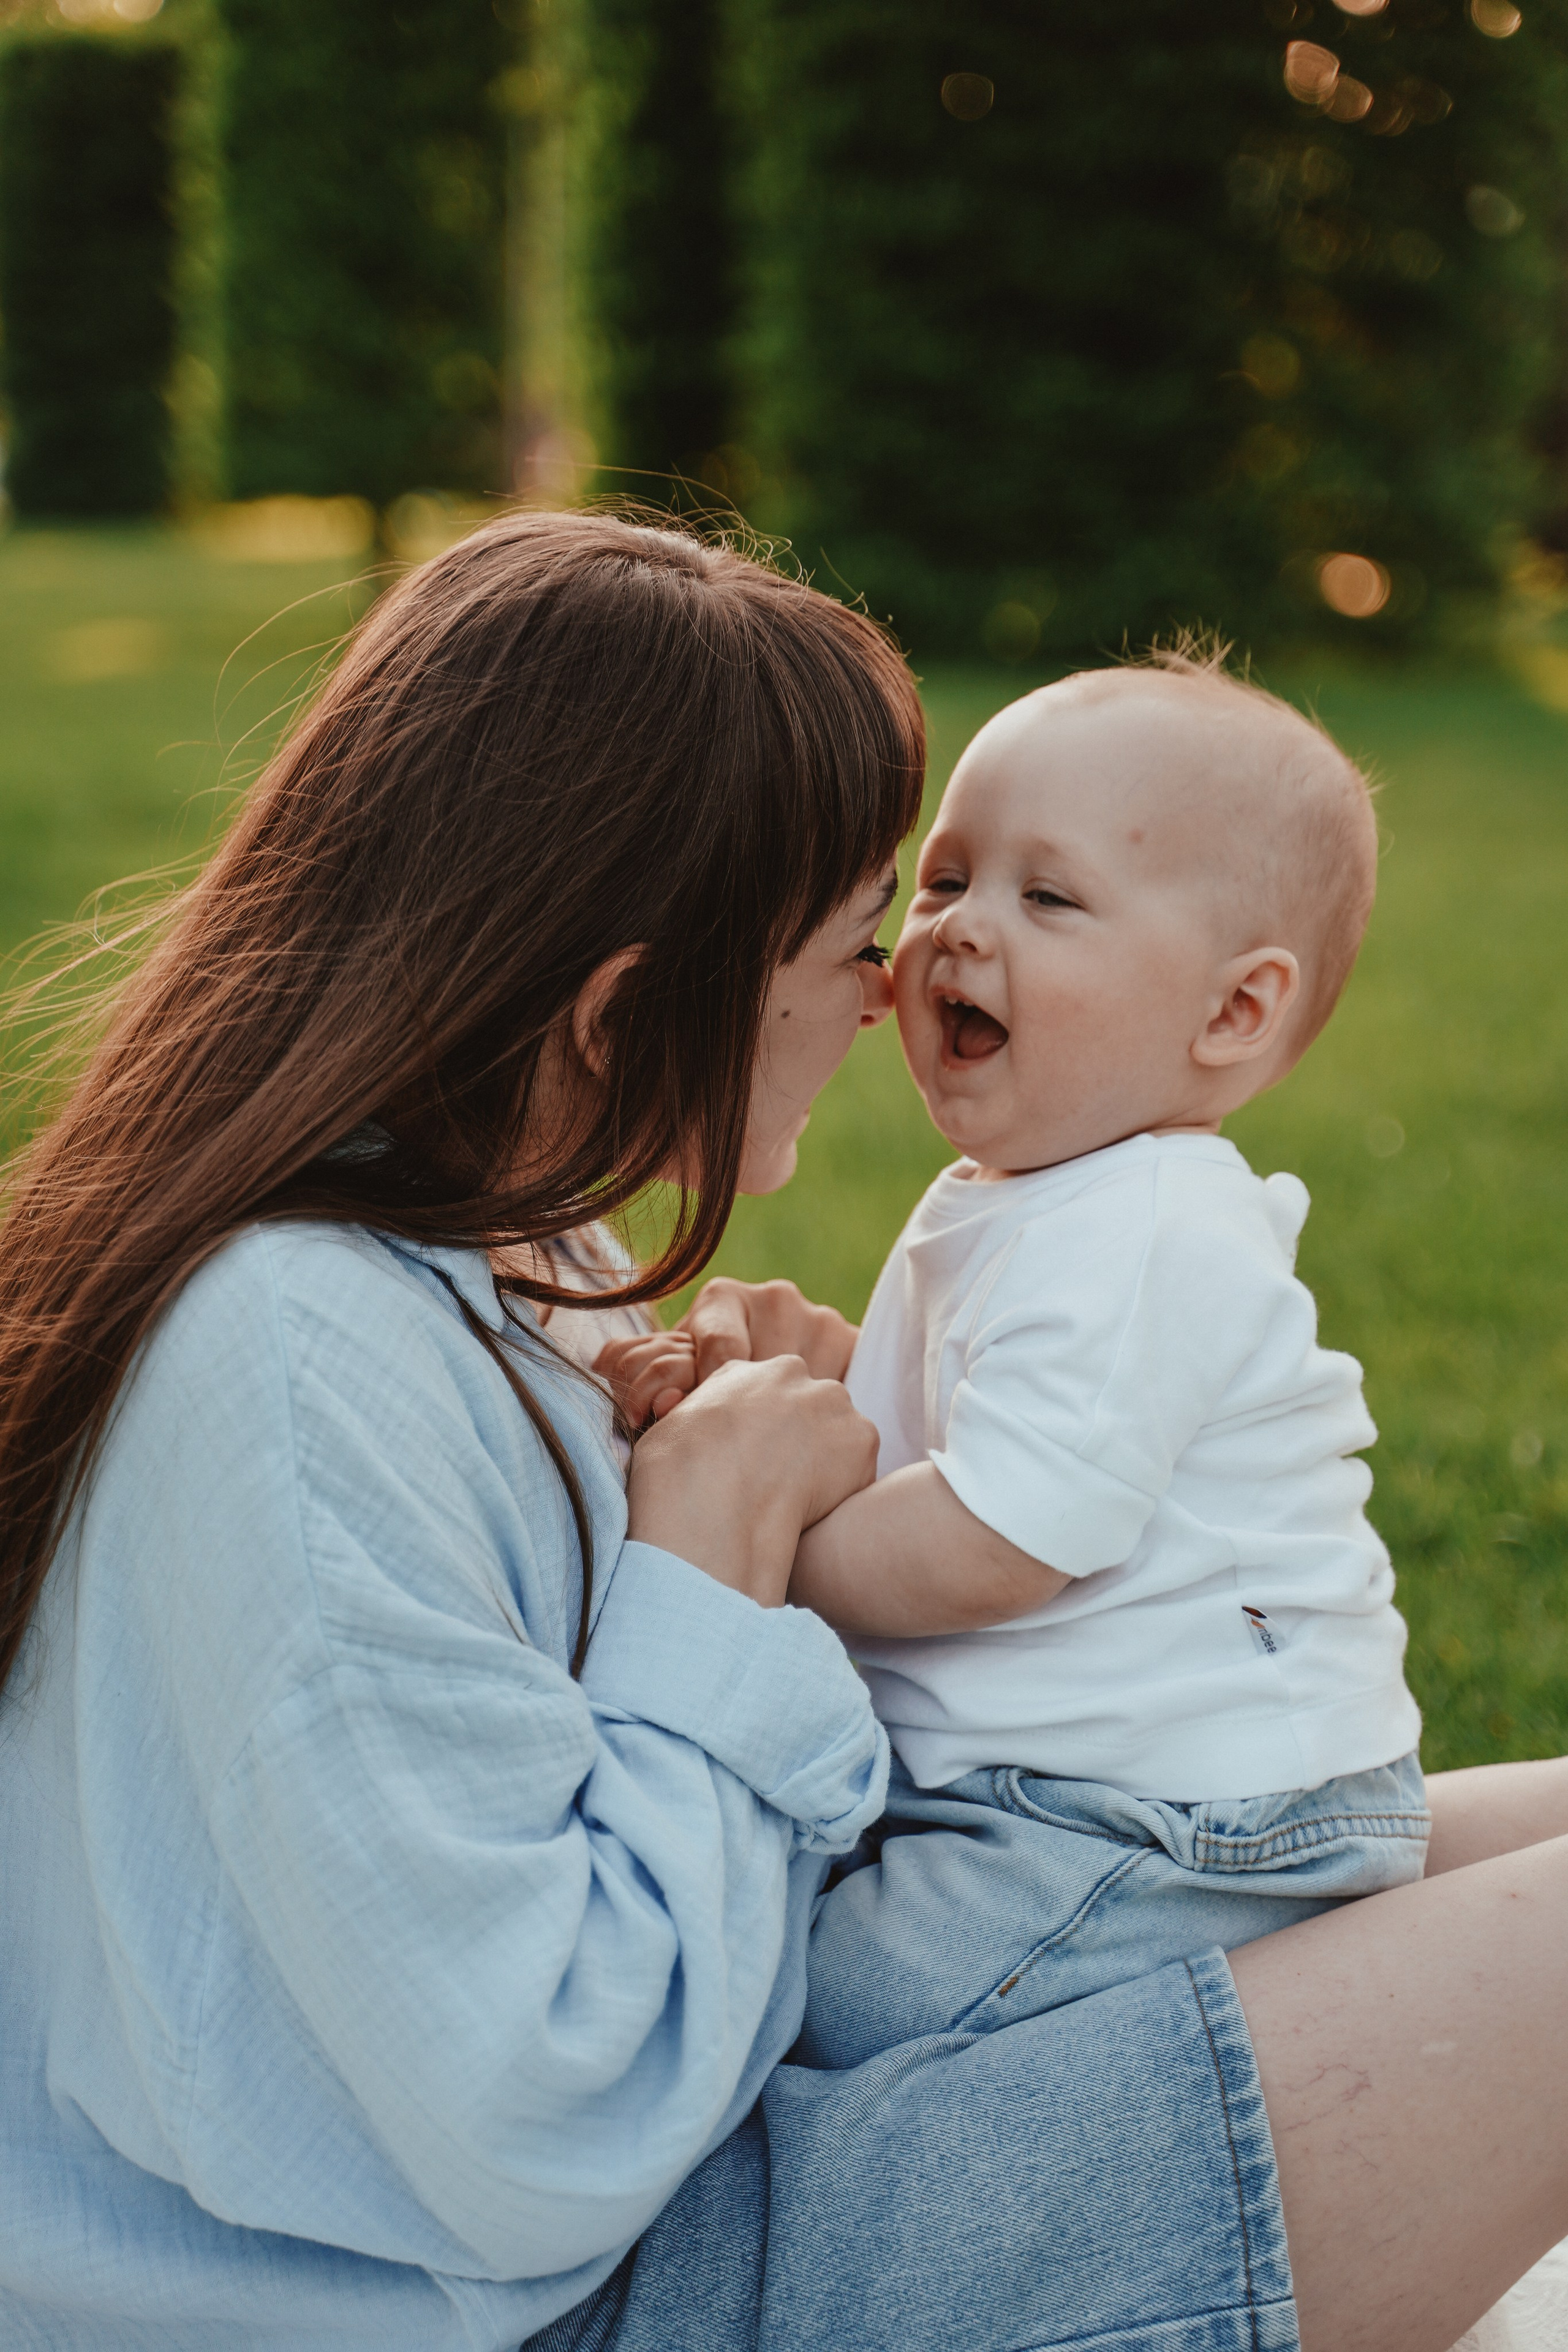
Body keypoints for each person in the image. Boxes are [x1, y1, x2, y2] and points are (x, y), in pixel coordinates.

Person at [0, 513, 1564, 2352]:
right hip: (578, 2285)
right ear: (625, 1010)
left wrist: (739, 1450)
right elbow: (546, 2119)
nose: (895, 984)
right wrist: (717, 1570)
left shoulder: (483, 1244)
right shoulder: (286, 1372)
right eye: (860, 937)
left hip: (674, 2150)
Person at [781, 654, 1430, 2068]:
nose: (956, 932)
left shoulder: (1143, 1224)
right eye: (943, 881)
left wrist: (773, 1528)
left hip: (1187, 1814)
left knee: (838, 2014)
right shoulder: (1031, 1192)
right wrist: (813, 1389)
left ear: (1231, 1013)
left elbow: (998, 1539)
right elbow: (964, 1431)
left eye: (1047, 897)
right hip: (1067, 1789)